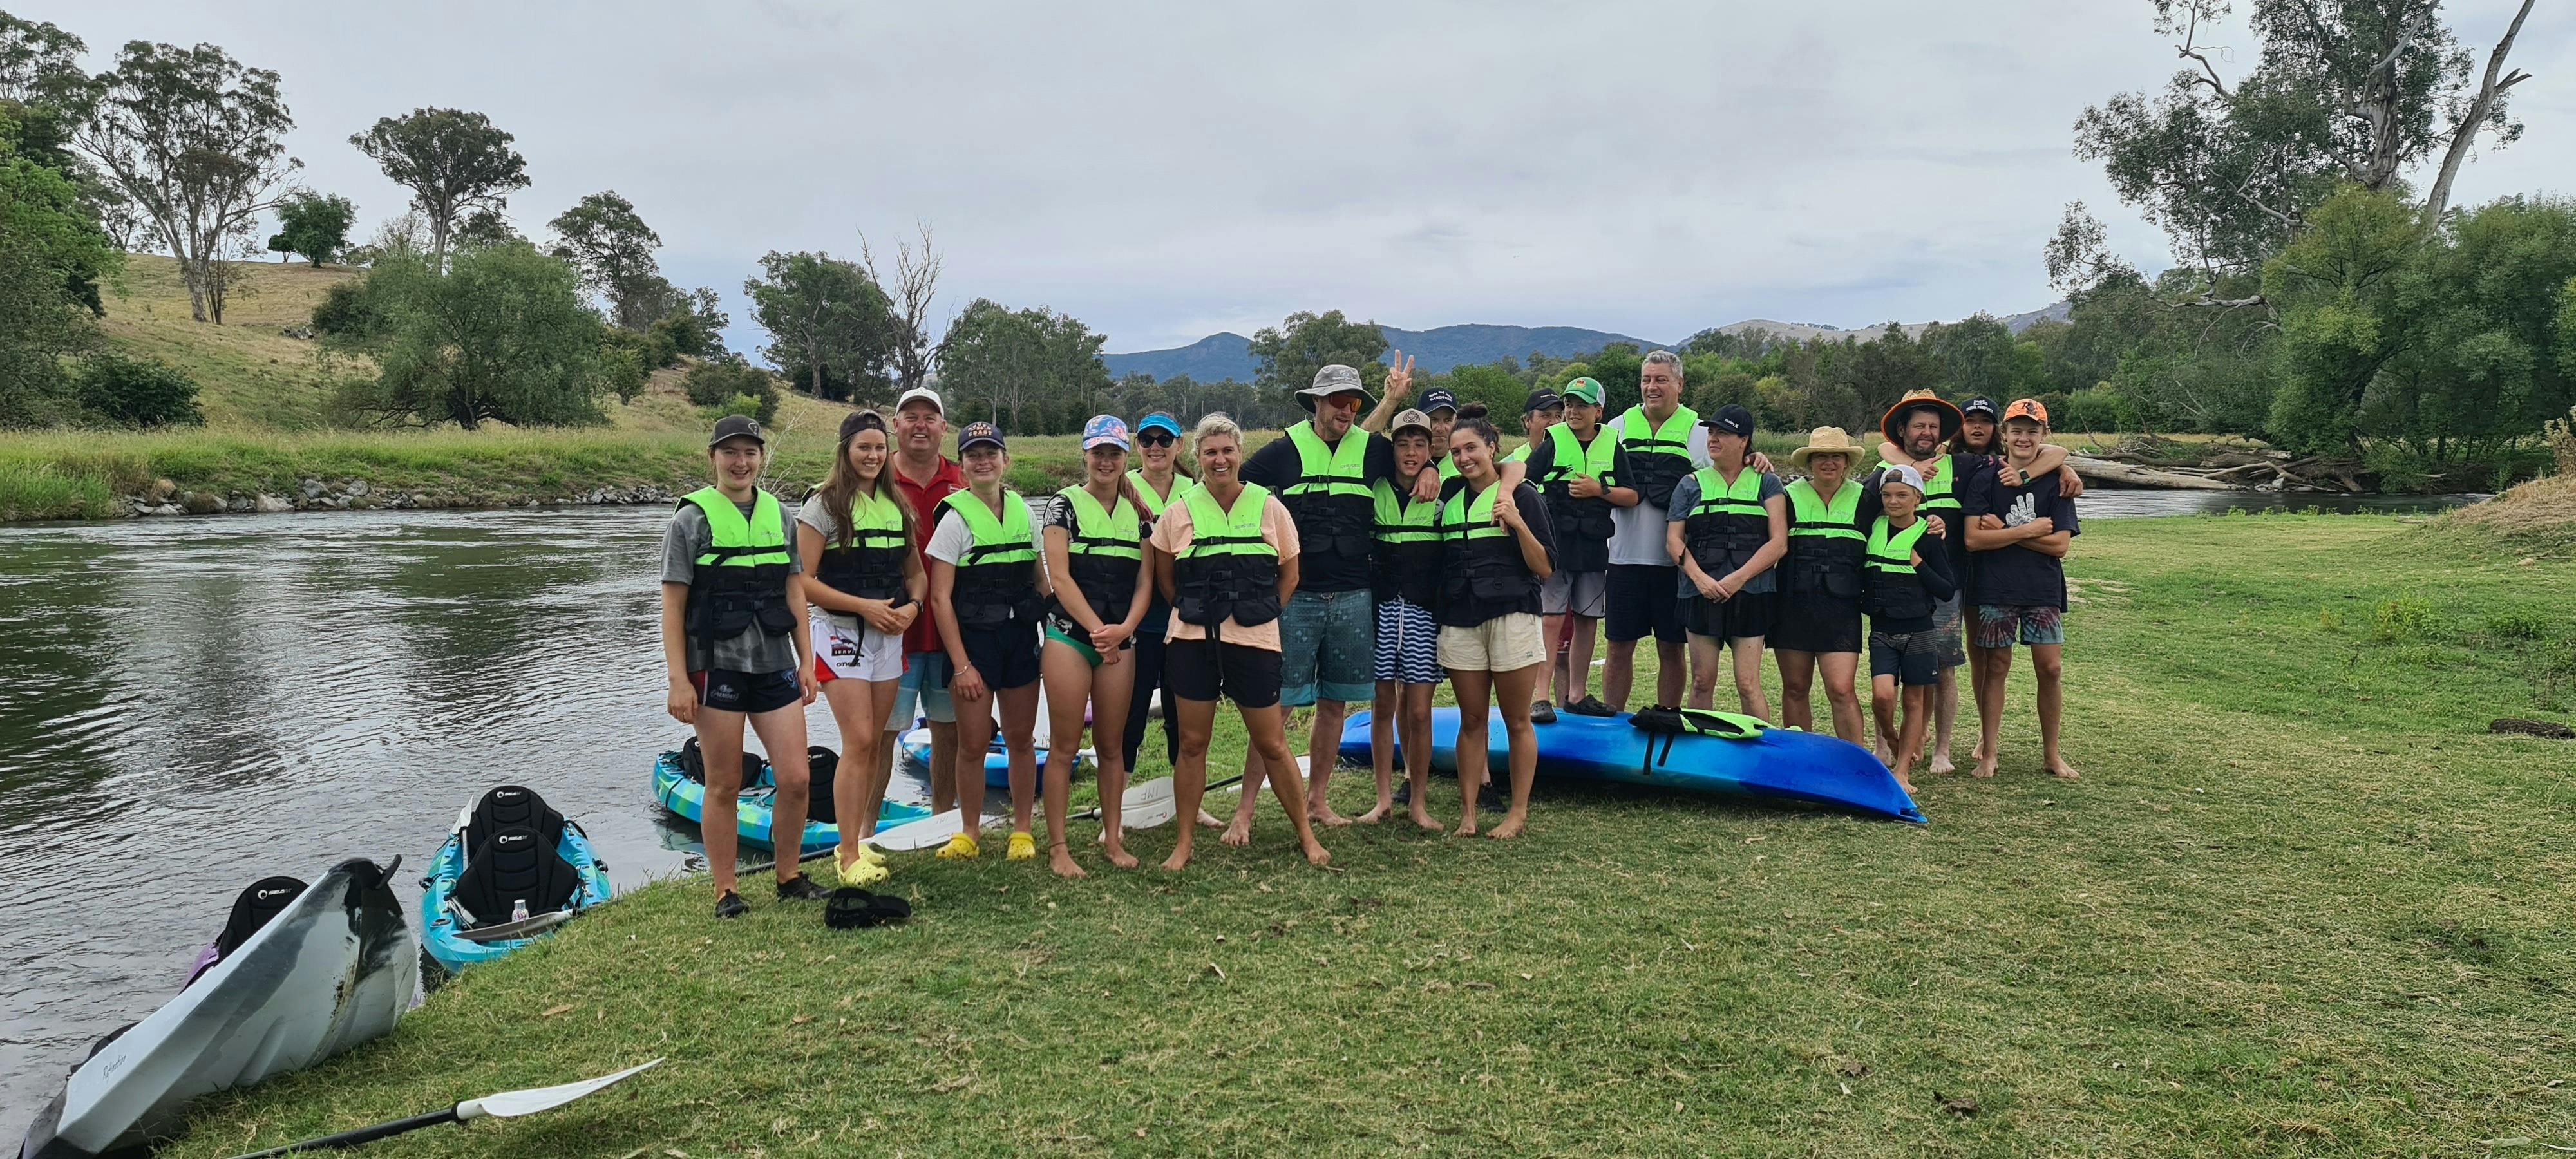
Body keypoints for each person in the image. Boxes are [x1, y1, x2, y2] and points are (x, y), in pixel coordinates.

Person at [659, 415, 828, 918]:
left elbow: (794, 590)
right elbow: (672, 606)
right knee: (725, 782)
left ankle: (789, 875)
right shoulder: (690, 520)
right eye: (730, 452)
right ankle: (726, 889)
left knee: (797, 778)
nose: (741, 462)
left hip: (774, 662)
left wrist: (808, 661)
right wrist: (677, 680)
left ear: (760, 457)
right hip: (715, 668)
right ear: (712, 457)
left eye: (750, 452)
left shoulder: (781, 516)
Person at [1234, 361, 1410, 833]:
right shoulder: (1283, 450)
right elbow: (1231, 486)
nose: (1346, 410)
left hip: (1355, 595)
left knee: (1335, 703)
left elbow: (1416, 459)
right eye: (1337, 401)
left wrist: (1430, 470)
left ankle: (1317, 800)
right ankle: (1245, 810)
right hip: (1298, 598)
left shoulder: (1375, 451)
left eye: (1354, 402)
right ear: (1315, 403)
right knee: (1278, 705)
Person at [1150, 413, 1331, 870]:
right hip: (1192, 640)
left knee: (1272, 742)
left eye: (1227, 450)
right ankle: (1185, 842)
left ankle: (1306, 836)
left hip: (1255, 639)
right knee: (1192, 743)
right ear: (1198, 457)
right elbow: (1166, 579)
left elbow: (1290, 573)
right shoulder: (1179, 511)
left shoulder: (1270, 508)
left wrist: (1264, 612)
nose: (1220, 459)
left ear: (1240, 454)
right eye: (1210, 452)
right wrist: (1198, 612)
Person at [1875, 390, 2079, 773]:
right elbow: (1886, 461)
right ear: (1902, 430)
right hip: (1902, 584)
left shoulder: (1966, 466)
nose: (1926, 432)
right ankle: (1898, 743)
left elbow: (2053, 453)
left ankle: (1945, 748)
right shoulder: (1887, 470)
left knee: (1949, 663)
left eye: (1933, 426)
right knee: (1897, 663)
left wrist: (2055, 471)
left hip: (1954, 581)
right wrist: (1909, 468)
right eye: (1919, 425)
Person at [793, 410, 924, 885]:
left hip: (889, 634)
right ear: (846, 451)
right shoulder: (823, 506)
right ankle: (846, 854)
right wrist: (863, 608)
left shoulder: (898, 505)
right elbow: (803, 581)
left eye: (878, 448)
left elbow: (916, 575)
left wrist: (912, 609)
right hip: (839, 632)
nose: (871, 456)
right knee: (861, 740)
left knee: (876, 742)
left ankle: (860, 845)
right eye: (862, 448)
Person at [1037, 416, 1155, 877]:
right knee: (1065, 746)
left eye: (1114, 454)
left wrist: (1124, 627)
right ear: (1084, 455)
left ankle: (1111, 837)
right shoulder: (1063, 506)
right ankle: (1059, 848)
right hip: (1070, 637)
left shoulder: (1142, 515)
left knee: (1111, 746)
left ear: (1126, 458)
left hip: (1120, 642)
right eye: (1097, 453)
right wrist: (1096, 630)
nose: (1106, 462)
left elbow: (1147, 581)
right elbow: (1058, 577)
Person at [924, 421, 1047, 859]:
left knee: (1020, 737)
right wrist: (961, 666)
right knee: (973, 743)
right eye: (973, 455)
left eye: (990, 453)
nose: (983, 461)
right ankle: (969, 832)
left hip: (1019, 640)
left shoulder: (1025, 512)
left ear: (1005, 460)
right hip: (974, 644)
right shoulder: (954, 520)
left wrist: (1054, 637)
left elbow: (1040, 580)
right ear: (962, 467)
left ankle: (1022, 830)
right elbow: (939, 599)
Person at [1436, 404, 1558, 838]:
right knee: (1472, 721)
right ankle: (1468, 813)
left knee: (1517, 719)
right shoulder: (1448, 495)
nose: (1464, 457)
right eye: (1455, 451)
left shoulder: (1522, 496)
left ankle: (1518, 812)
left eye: (1471, 448)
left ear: (1491, 448)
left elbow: (1544, 567)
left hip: (1513, 617)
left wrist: (1518, 523)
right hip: (1461, 619)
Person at [1963, 399, 2081, 780]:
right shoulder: (1986, 478)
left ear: (2044, 435)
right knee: (1996, 666)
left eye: (2033, 431)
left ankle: (2052, 754)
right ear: (2005, 435)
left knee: (2051, 668)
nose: (2024, 438)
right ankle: (1990, 752)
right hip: (1995, 588)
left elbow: (2060, 545)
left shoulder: (2058, 480)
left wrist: (2006, 534)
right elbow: (1973, 541)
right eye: (2017, 430)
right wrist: (2029, 531)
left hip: (2042, 588)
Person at [1666, 405, 1786, 719]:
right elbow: (1674, 541)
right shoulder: (1690, 484)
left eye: (1723, 433)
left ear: (1744, 440)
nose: (1713, 438)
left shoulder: (1767, 483)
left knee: (1748, 684)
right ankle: (1700, 756)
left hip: (1752, 593)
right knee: (1702, 681)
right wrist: (1699, 579)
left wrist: (1738, 579)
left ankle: (1760, 757)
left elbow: (1779, 543)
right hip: (1699, 593)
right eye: (1711, 432)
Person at [1522, 377, 1631, 716]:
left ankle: (1577, 695)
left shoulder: (1613, 445)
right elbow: (1523, 481)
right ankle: (1540, 697)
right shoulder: (1553, 441)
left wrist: (1599, 490)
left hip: (1594, 548)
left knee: (1587, 621)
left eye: (1581, 405)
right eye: (1569, 405)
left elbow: (1632, 495)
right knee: (1551, 620)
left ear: (1598, 411)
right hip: (1556, 546)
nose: (1572, 411)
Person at [1603, 351, 1701, 713]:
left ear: (1680, 384)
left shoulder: (1701, 433)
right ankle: (1612, 720)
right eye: (1646, 379)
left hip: (1674, 563)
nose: (1652, 387)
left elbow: (1733, 467)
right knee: (1617, 647)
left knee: (1672, 647)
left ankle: (1667, 719)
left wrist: (1756, 457)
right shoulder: (1617, 428)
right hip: (1622, 558)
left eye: (1661, 379)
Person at [1363, 408, 1446, 829]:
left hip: (1422, 614)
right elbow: (1357, 441)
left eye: (1420, 445)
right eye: (1402, 443)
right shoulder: (1373, 487)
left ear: (1432, 449)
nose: (1411, 452)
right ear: (1391, 447)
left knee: (1418, 713)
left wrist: (1434, 469)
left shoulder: (1444, 493)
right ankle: (1382, 800)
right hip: (1381, 612)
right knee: (1382, 705)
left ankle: (1417, 801)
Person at [882, 387, 963, 816]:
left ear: (943, 428)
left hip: (951, 630)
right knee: (880, 733)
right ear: (895, 425)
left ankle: (942, 818)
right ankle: (864, 829)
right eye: (910, 416)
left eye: (929, 417)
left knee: (948, 730)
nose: (920, 424)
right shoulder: (874, 477)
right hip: (891, 630)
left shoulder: (964, 477)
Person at [1861, 464, 1958, 793]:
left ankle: (1902, 772)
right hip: (1882, 629)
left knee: (1914, 701)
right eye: (1887, 495)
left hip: (1919, 630)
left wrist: (1918, 563)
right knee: (1882, 696)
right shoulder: (1872, 527)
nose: (1893, 501)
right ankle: (1892, 736)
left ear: (1917, 498)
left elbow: (1946, 588)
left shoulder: (1929, 537)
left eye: (1902, 495)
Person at [1774, 426, 1869, 744]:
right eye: (1821, 457)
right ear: (1810, 462)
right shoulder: (1786, 496)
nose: (1828, 463)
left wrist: (1933, 522)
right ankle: (1801, 760)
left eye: (1836, 457)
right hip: (1792, 605)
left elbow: (1902, 518)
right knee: (1796, 687)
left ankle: (1856, 765)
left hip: (1841, 609)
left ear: (1846, 462)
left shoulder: (1866, 498)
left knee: (1841, 689)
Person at [1120, 411, 1193, 782]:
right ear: (1137, 447)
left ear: (1179, 445)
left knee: (1181, 713)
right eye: (1147, 440)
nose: (1156, 448)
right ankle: (1115, 802)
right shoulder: (1121, 486)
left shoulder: (1195, 488)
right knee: (1130, 712)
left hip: (1184, 618)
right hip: (1138, 620)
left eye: (1165, 440)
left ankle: (1187, 800)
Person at [1504, 388, 1560, 464]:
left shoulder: (1573, 459)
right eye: (1546, 415)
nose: (1554, 422)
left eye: (1558, 416)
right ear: (1527, 421)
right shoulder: (1508, 466)